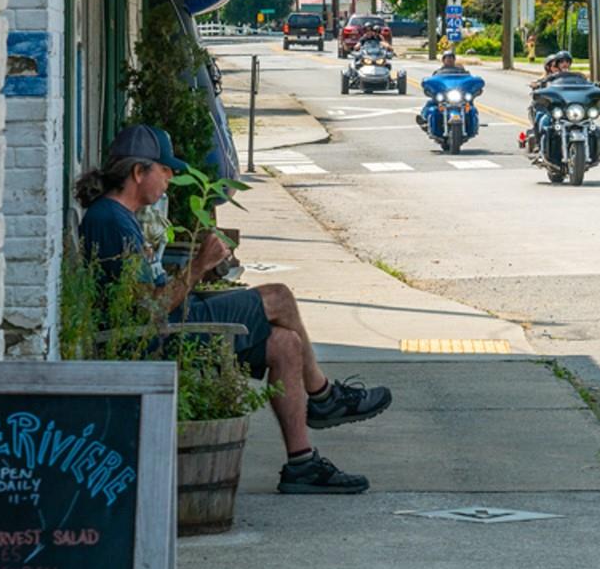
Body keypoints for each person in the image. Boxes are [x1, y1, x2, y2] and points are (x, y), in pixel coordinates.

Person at [76, 125, 390, 495]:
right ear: (138, 172)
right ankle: (322, 397)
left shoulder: (120, 216)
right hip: (155, 337)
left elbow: (151, 292)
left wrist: (201, 267)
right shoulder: (110, 221)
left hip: (173, 320)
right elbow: (149, 308)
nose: (172, 177)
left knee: (285, 343)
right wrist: (197, 266)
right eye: (165, 169)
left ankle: (302, 463)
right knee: (279, 296)